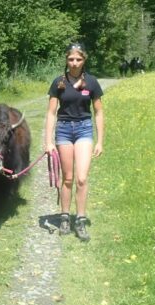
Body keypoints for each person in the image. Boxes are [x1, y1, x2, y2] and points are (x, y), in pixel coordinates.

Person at [44, 42, 104, 242]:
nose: (74, 63)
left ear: (84, 60)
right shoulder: (58, 83)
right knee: (68, 178)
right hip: (64, 130)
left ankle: (80, 219)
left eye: (78, 59)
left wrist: (100, 141)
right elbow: (51, 113)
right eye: (71, 59)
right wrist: (48, 141)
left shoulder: (92, 83)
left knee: (82, 178)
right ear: (66, 60)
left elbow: (99, 112)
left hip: (84, 129)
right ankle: (64, 217)